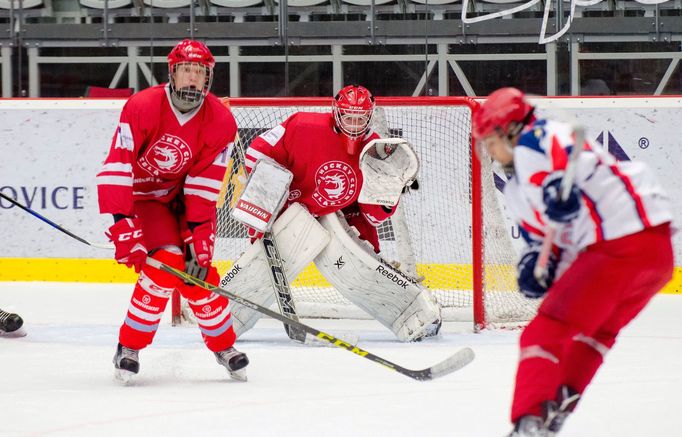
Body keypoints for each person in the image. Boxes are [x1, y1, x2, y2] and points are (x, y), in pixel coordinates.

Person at [472, 87, 674, 436]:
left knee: (543, 332)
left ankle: (529, 422)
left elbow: (563, 158)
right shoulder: (519, 190)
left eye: (491, 140)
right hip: (654, 258)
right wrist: (536, 265)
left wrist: (556, 185)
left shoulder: (539, 136)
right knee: (594, 333)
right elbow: (547, 240)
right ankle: (557, 407)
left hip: (619, 243)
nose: (488, 150)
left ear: (511, 130)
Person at [228, 84, 442, 342]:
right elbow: (256, 152)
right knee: (262, 262)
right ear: (335, 112)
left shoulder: (375, 151)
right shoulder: (303, 126)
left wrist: (390, 191)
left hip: (336, 213)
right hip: (289, 208)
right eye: (348, 117)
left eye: (360, 118)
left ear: (369, 116)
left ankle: (414, 315)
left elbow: (374, 217)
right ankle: (224, 320)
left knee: (365, 267)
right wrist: (268, 206)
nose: (354, 124)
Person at [96, 39, 249, 383]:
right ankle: (129, 346)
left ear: (208, 78)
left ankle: (224, 347)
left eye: (200, 72)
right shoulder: (143, 106)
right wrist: (123, 223)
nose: (193, 78)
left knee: (200, 273)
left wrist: (201, 236)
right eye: (186, 70)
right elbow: (117, 165)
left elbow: (204, 184)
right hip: (144, 198)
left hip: (182, 199)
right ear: (173, 73)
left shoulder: (220, 120)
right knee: (166, 266)